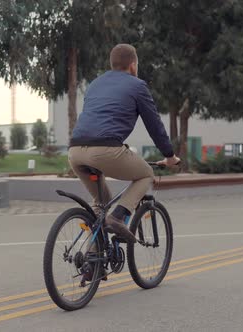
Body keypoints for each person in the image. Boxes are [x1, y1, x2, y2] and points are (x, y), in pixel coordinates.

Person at [69, 43, 181, 244]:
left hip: (75, 151)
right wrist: (170, 155)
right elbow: (154, 125)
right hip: (105, 151)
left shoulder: (95, 84)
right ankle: (118, 217)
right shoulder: (137, 86)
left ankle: (92, 261)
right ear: (133, 65)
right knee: (146, 173)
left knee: (101, 202)